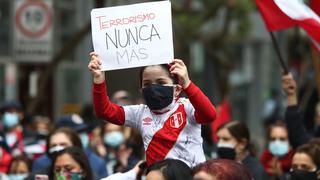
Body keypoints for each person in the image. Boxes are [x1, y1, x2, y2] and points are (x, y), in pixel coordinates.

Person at [88, 52, 216, 167]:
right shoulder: (139, 113)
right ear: (141, 90)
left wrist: (187, 83)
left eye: (161, 82)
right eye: (147, 84)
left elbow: (209, 115)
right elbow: (104, 111)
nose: (153, 88)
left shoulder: (187, 107)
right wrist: (99, 79)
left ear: (177, 89)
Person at [31, 127, 106, 179]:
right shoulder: (40, 175)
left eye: (63, 144)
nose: (62, 174)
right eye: (57, 169)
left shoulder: (95, 173)